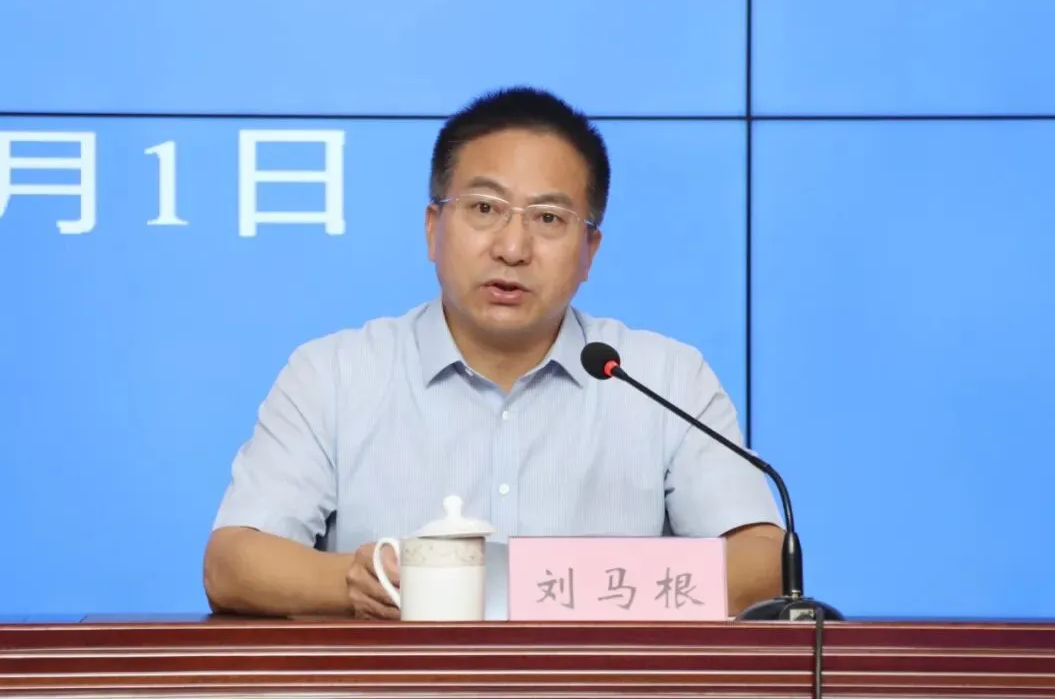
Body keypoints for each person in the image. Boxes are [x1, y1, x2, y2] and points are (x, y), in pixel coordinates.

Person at [203, 86, 784, 620]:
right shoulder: (333, 374)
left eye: (549, 218)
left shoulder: (663, 378)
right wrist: (355, 582)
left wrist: (565, 588)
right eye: (484, 208)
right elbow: (232, 563)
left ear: (589, 251)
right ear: (433, 228)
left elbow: (764, 563)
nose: (512, 247)